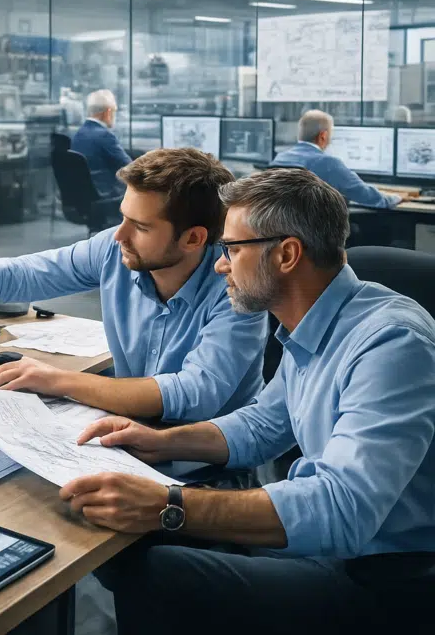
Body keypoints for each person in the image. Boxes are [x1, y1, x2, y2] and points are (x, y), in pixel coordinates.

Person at [70, 167, 435, 634]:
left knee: (156, 571)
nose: (219, 265)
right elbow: (264, 424)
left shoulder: (390, 343)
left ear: (286, 254)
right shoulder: (314, 323)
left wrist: (169, 503)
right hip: (332, 543)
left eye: (232, 249)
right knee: (137, 545)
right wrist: (158, 442)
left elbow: (342, 510)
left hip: (384, 575)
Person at [0, 148, 268, 423]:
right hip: (129, 435)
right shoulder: (114, 249)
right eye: (123, 217)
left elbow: (194, 395)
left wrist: (56, 380)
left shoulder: (237, 289)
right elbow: (25, 273)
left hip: (203, 471)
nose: (119, 235)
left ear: (194, 238)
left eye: (140, 227)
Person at [271, 110, 401, 210]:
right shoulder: (327, 163)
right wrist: (395, 198)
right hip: (316, 229)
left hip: (285, 229)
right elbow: (367, 196)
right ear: (323, 136)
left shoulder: (280, 158)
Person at [70, 89, 131, 197]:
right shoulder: (105, 136)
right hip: (105, 195)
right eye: (115, 111)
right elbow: (131, 168)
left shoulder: (78, 134)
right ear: (108, 112)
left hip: (82, 195)